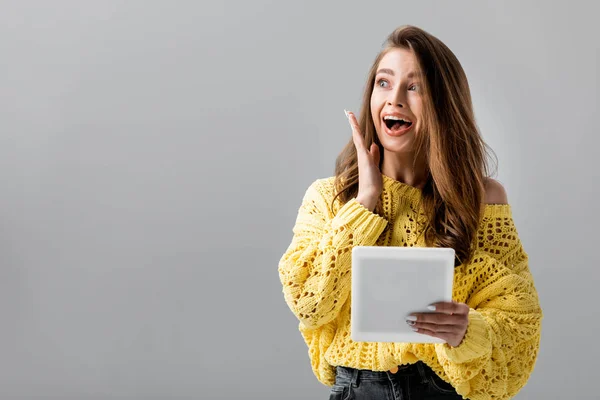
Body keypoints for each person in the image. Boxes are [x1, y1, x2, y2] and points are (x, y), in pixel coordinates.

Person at [278, 25, 543, 400]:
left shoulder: (482, 199)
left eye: (414, 87)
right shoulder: (330, 198)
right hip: (358, 389)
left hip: (441, 389)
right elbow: (309, 303)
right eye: (384, 83)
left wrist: (469, 331)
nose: (395, 99)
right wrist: (365, 201)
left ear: (442, 104)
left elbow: (520, 322)